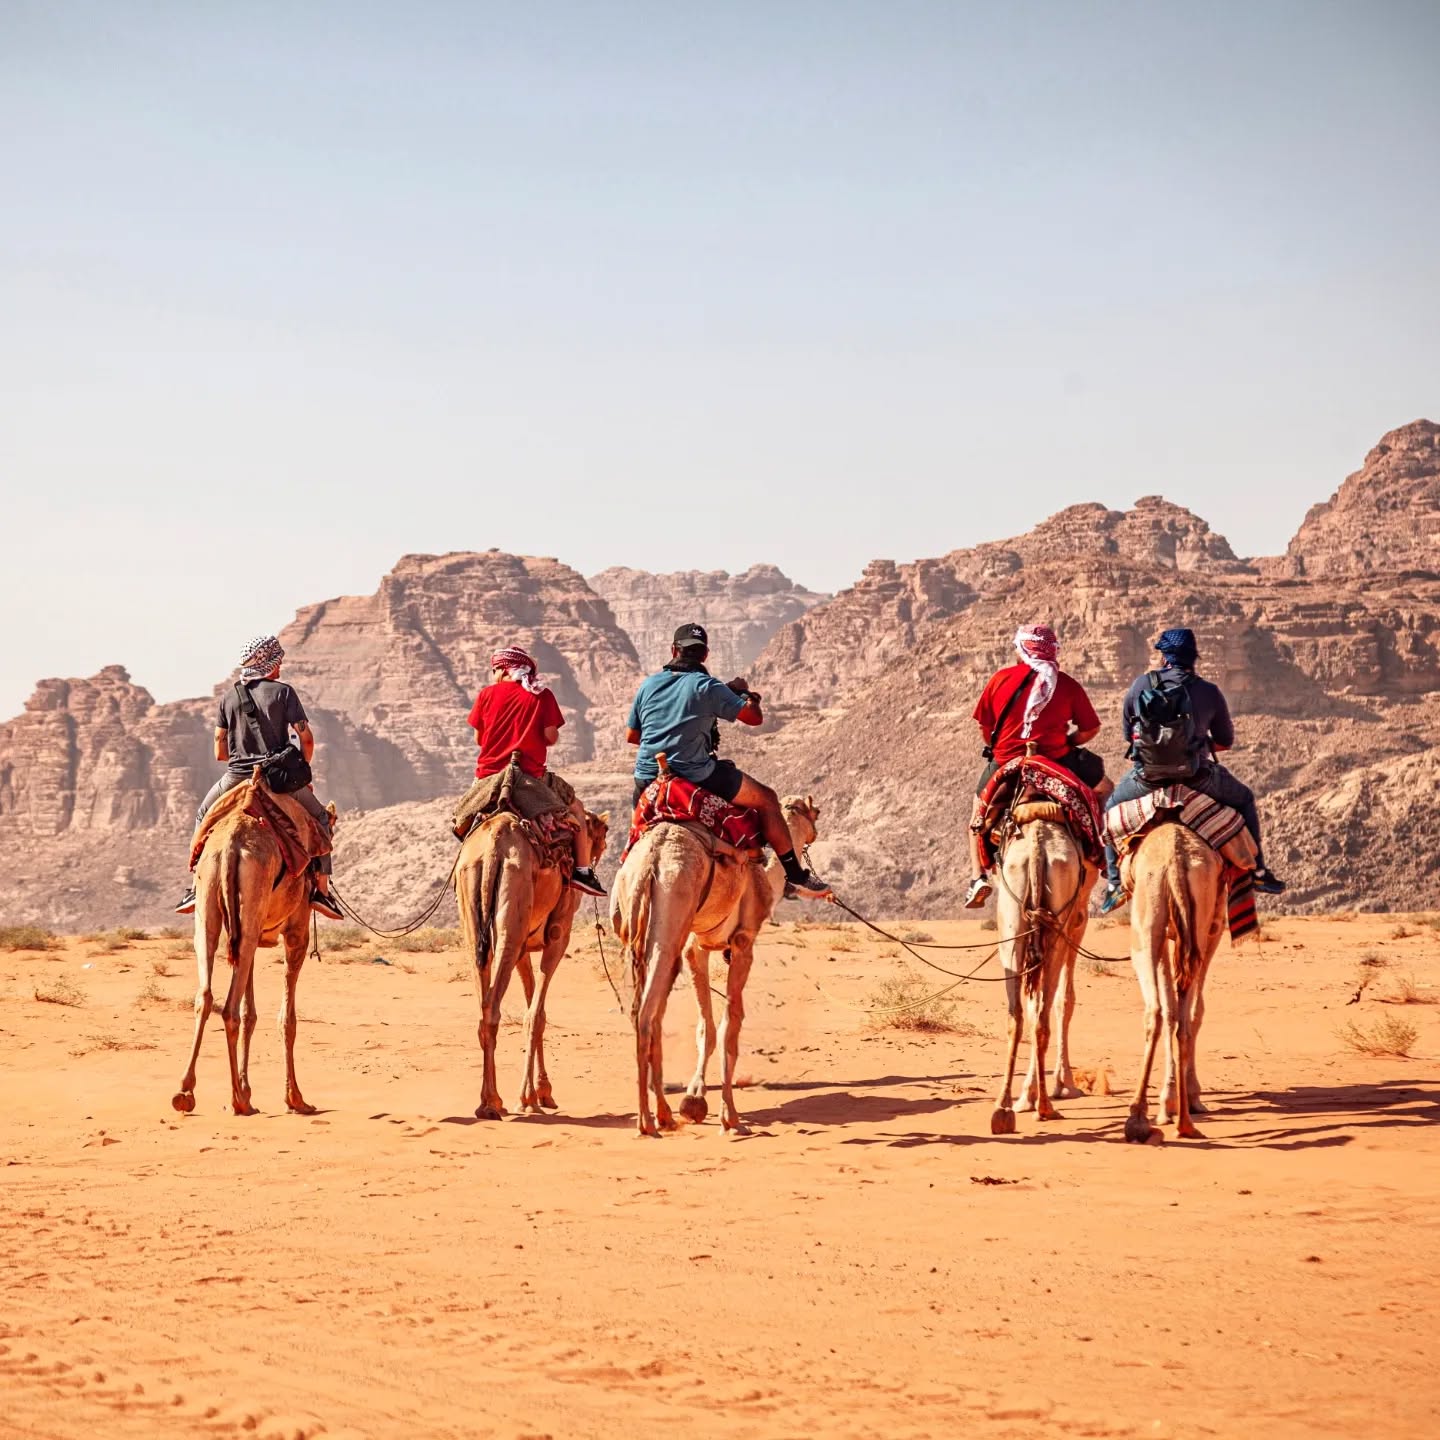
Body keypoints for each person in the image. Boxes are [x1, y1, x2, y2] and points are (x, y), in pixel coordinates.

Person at [626, 622, 830, 898]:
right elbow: (754, 718)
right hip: (693, 774)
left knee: (639, 835)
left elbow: (633, 736)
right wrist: (745, 694)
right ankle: (795, 876)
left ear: (673, 650)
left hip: (647, 777)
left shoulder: (649, 684)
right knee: (767, 799)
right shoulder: (706, 686)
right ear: (705, 655)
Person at [1097, 627, 1286, 914]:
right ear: (1193, 657)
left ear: (1163, 656)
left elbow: (1128, 735)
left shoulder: (1140, 686)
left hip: (1147, 777)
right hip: (1197, 777)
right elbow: (1225, 741)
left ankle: (1114, 883)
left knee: (1111, 805)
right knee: (1245, 798)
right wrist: (1199, 742)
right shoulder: (1208, 691)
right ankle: (1258, 872)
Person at [176, 634, 341, 918]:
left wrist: (242, 758)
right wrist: (299, 772)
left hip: (235, 777)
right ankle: (322, 893)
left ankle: (195, 887)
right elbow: (307, 739)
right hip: (275, 779)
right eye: (278, 661)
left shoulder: (229, 698)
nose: (280, 667)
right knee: (321, 818)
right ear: (270, 663)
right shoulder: (283, 692)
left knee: (203, 815)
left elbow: (219, 749)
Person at [963, 624, 1109, 909]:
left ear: (1022, 650)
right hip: (1056, 760)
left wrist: (1003, 747)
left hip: (1007, 760)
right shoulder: (1065, 684)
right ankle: (1104, 861)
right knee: (1106, 790)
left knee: (977, 810)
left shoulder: (1000, 679)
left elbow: (986, 727)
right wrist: (1067, 741)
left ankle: (977, 877)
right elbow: (1090, 729)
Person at [467, 645, 605, 897]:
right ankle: (583, 872)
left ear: (503, 669)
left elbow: (479, 739)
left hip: (488, 777)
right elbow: (550, 737)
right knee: (577, 810)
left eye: (495, 670)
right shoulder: (542, 695)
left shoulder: (486, 695)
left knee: (465, 819)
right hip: (532, 777)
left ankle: (464, 873)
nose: (494, 675)